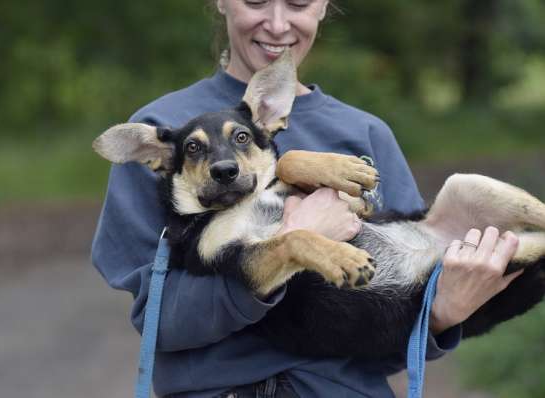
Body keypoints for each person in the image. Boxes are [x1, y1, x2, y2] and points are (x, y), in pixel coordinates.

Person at [91, 1, 523, 396]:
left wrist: (442, 313)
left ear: (322, 7)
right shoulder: (162, 131)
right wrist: (297, 237)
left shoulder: (366, 134)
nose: (277, 24)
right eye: (256, 1)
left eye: (298, 3)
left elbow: (383, 334)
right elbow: (160, 325)